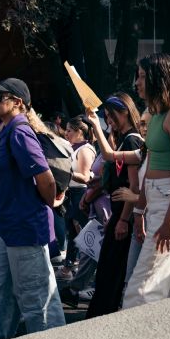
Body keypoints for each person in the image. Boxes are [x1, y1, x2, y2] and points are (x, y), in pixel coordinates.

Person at [0, 77, 66, 339]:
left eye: (0, 97)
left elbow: (45, 178)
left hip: (25, 227)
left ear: (18, 103)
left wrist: (46, 204)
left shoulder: (20, 132)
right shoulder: (9, 130)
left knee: (36, 299)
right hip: (9, 226)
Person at [123, 53, 170, 309]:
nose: (137, 83)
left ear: (158, 78)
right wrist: (139, 211)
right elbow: (150, 166)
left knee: (141, 291)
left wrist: (169, 220)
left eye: (142, 76)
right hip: (157, 203)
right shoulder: (155, 114)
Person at [81, 93, 143, 318]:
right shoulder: (127, 139)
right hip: (118, 214)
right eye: (106, 116)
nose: (109, 120)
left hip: (123, 216)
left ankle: (102, 319)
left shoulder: (132, 140)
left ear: (125, 111)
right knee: (109, 272)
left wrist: (124, 220)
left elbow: (132, 187)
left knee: (111, 272)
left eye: (111, 115)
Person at [58, 116, 96, 277]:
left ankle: (87, 272)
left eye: (69, 130)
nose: (65, 133)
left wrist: (63, 172)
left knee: (83, 234)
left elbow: (86, 177)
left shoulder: (85, 149)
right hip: (72, 194)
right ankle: (68, 268)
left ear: (80, 132)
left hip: (81, 194)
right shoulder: (73, 147)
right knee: (73, 233)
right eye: (65, 130)